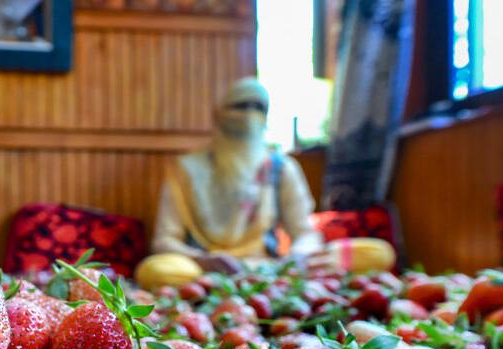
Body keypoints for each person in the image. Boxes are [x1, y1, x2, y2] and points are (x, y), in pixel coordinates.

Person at [134, 78, 394, 290]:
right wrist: (204, 260)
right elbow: (164, 241)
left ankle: (260, 284)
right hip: (203, 271)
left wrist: (299, 256)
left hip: (267, 269)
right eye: (240, 106)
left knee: (379, 253)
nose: (249, 114)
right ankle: (222, 285)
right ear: (219, 115)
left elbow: (305, 233)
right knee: (155, 270)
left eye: (258, 108)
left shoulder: (281, 167)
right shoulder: (185, 169)